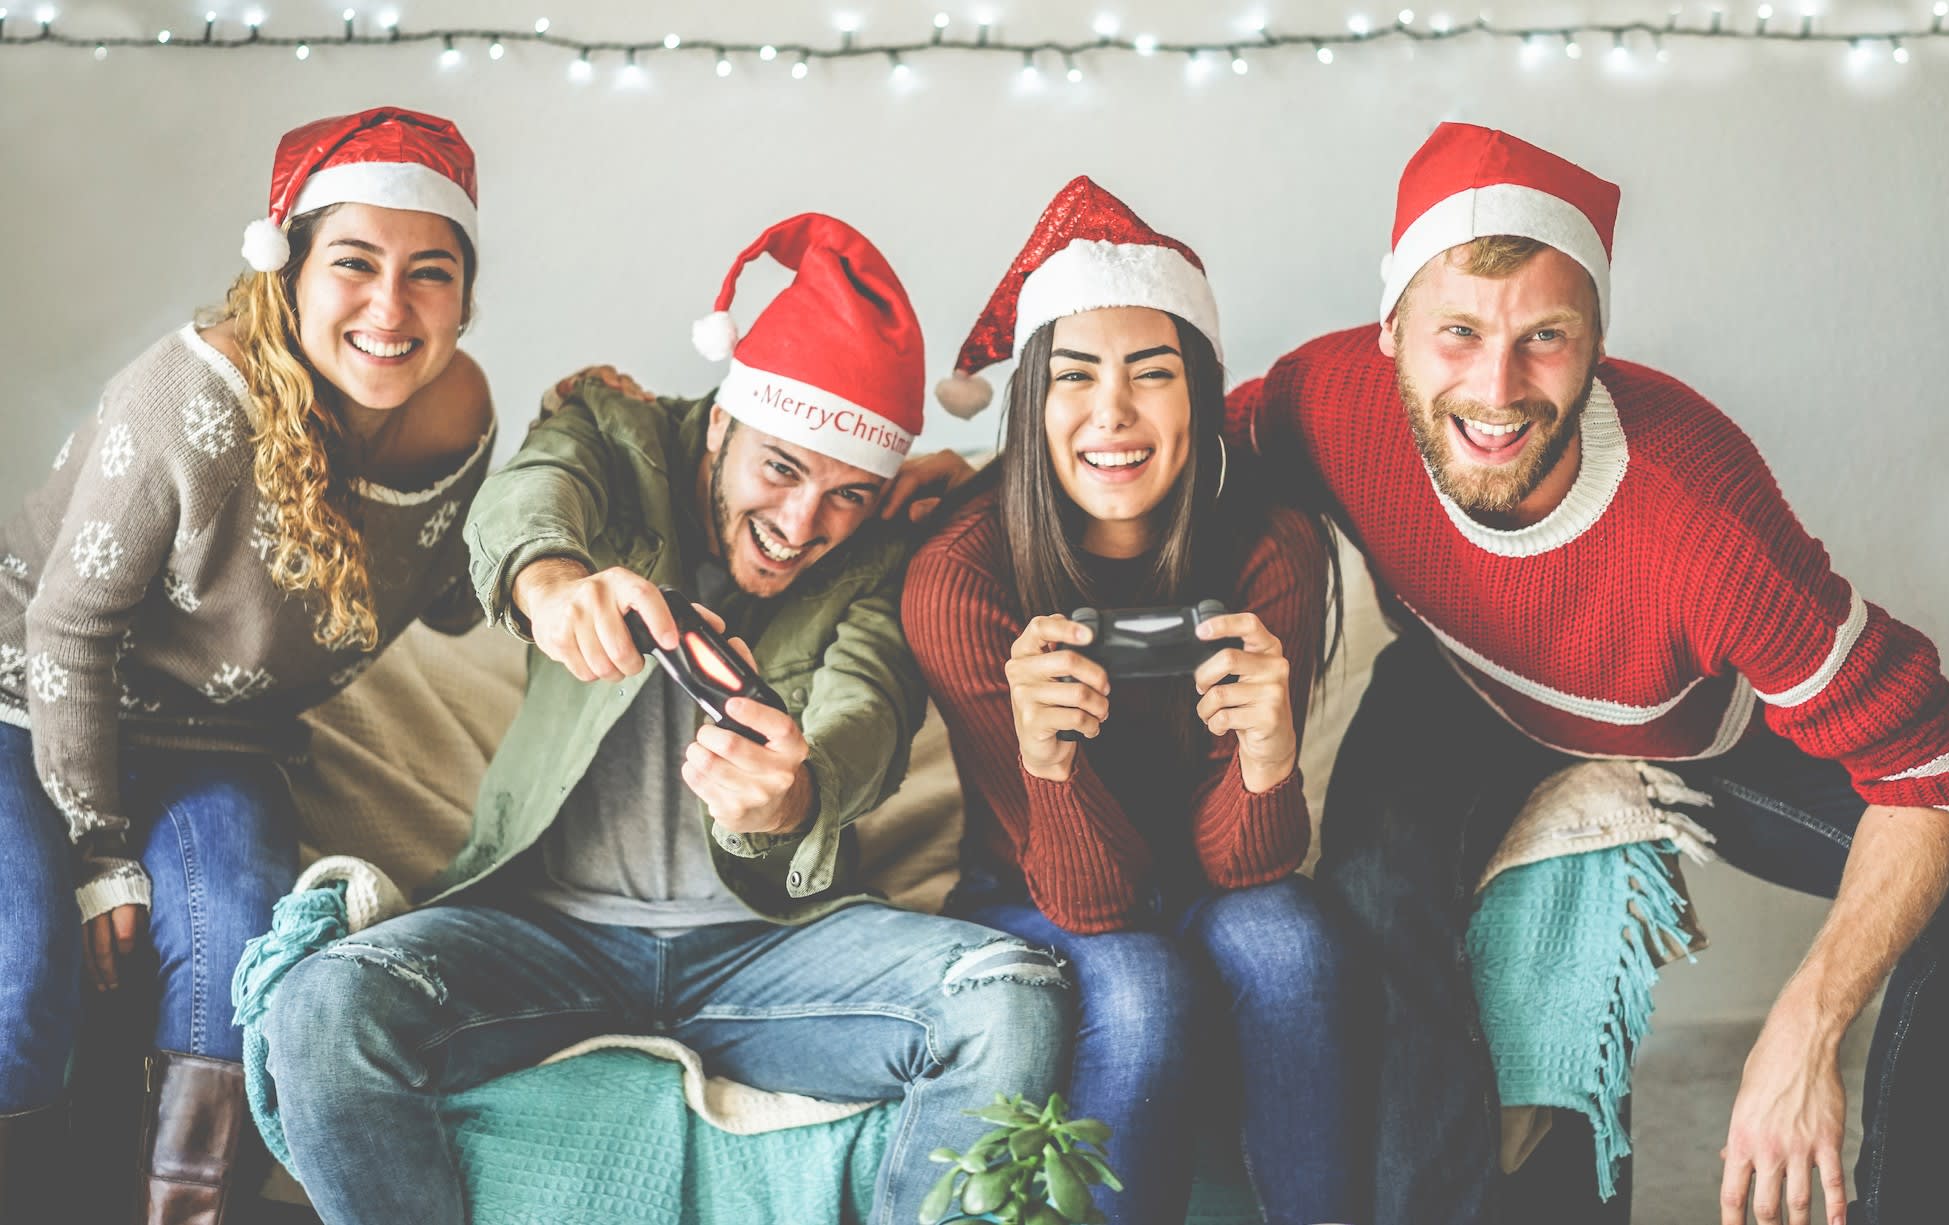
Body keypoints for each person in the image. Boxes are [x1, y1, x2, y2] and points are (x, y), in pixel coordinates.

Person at [1227, 121, 1949, 1225]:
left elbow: (1946, 765)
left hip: (1685, 726)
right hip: (1460, 685)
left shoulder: (1699, 521)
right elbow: (1163, 455)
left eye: (1544, 336)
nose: (1496, 388)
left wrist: (1803, 1027)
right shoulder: (1326, 399)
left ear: (1597, 339)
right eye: (1457, 333)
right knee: (1372, 890)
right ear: (1390, 329)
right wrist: (966, 492)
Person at [258, 213, 1071, 1225]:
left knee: (1012, 995)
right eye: (779, 468)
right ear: (723, 422)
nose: (801, 524)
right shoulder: (615, 433)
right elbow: (528, 498)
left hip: (773, 952)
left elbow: (870, 697)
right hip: (544, 936)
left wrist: (799, 792)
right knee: (324, 1003)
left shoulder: (882, 549)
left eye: (847, 495)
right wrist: (555, 587)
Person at [0, 106, 493, 1220]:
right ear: (288, 268)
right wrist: (102, 851)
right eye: (355, 263)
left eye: (431, 273)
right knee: (20, 972)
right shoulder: (191, 400)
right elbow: (68, 630)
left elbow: (456, 603)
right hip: (25, 696)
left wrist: (574, 457)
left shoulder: (461, 413)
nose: (390, 306)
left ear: (467, 293)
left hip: (219, 742)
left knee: (234, 970)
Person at [905, 177, 1370, 1225]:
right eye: (1074, 377)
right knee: (1141, 987)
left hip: (1214, 869)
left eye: (1151, 374)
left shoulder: (1271, 548)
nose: (1111, 413)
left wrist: (1265, 760)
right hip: (1036, 881)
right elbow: (1094, 905)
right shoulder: (958, 581)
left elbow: (1249, 864)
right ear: (1030, 404)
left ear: (1200, 396)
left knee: (1292, 940)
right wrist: (1050, 765)